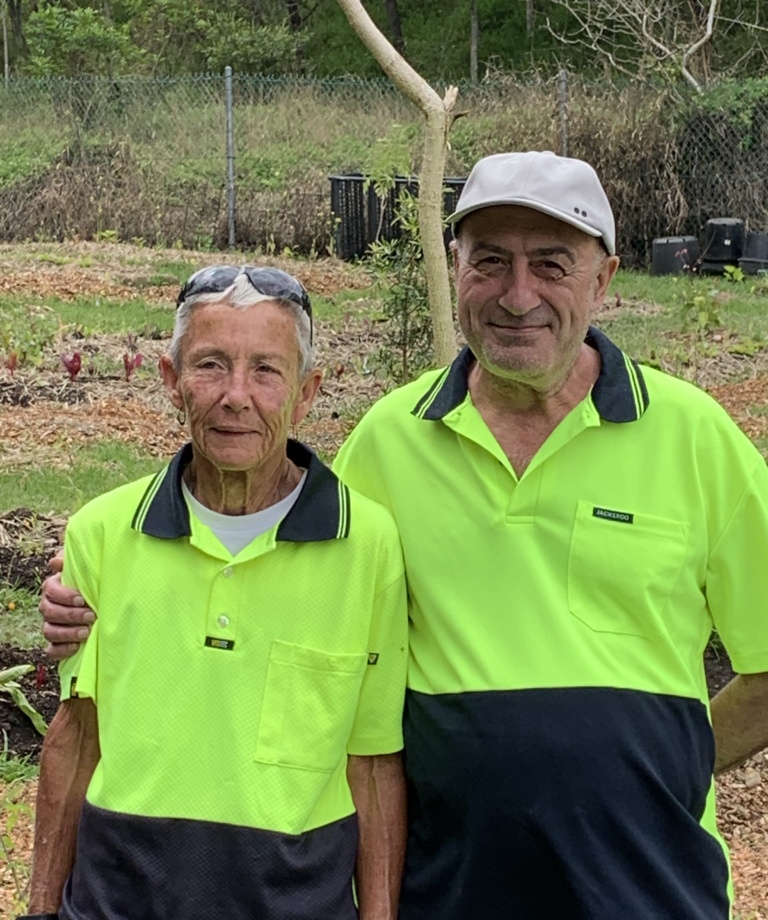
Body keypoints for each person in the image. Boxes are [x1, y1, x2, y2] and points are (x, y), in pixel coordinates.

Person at [41, 153, 768, 919]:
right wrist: (91, 589)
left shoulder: (696, 438)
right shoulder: (389, 442)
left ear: (605, 278)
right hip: (448, 889)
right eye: (489, 261)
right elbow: (280, 581)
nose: (518, 295)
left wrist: (669, 769)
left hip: (650, 890)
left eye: (551, 264)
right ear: (454, 268)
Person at [26, 265, 408, 920]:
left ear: (308, 391)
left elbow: (371, 767)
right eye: (210, 365)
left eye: (266, 370)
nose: (236, 395)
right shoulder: (102, 535)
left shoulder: (366, 545)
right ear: (172, 381)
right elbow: (76, 740)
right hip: (119, 901)